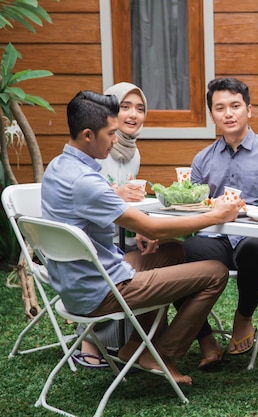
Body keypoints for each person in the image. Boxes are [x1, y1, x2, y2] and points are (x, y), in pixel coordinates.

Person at [42, 90, 242, 385]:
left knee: (172, 252)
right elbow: (153, 228)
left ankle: (137, 344)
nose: (115, 139)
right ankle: (161, 351)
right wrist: (217, 216)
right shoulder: (85, 182)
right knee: (215, 271)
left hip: (79, 281)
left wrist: (143, 227)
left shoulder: (58, 167)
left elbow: (136, 224)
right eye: (110, 133)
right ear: (87, 134)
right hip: (102, 290)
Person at [181, 78, 258, 367]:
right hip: (217, 239)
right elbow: (195, 205)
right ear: (212, 115)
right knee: (178, 256)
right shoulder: (202, 159)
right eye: (220, 108)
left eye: (235, 106)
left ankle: (243, 316)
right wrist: (212, 206)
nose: (228, 114)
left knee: (254, 249)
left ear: (249, 109)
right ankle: (205, 338)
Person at [73, 82, 148, 368]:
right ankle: (90, 340)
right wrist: (117, 195)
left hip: (119, 230)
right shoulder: (93, 147)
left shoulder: (133, 152)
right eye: (124, 107)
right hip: (88, 237)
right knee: (116, 265)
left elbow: (126, 199)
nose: (133, 114)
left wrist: (141, 223)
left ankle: (130, 341)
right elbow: (87, 197)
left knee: (147, 256)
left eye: (140, 108)